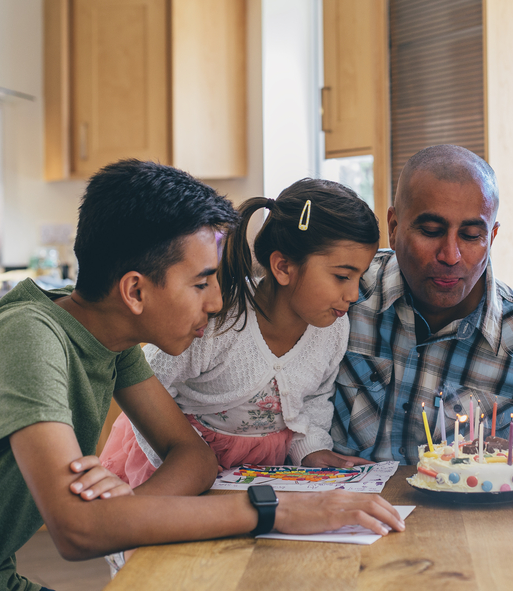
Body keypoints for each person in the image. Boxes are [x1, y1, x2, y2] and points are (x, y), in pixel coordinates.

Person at [0, 160, 403, 591]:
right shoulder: (28, 336)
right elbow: (77, 530)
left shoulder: (109, 339)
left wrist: (123, 511)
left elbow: (191, 454)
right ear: (135, 291)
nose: (215, 303)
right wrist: (277, 508)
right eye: (201, 283)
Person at [99, 178, 381, 487]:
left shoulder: (333, 328)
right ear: (284, 267)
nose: (354, 294)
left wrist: (311, 450)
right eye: (342, 276)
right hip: (177, 461)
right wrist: (178, 465)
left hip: (259, 472)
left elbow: (315, 396)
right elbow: (147, 382)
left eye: (359, 277)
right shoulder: (216, 319)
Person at [330, 144, 513, 464]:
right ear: (393, 227)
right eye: (431, 231)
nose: (450, 256)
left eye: (471, 236)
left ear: (492, 238)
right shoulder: (343, 297)